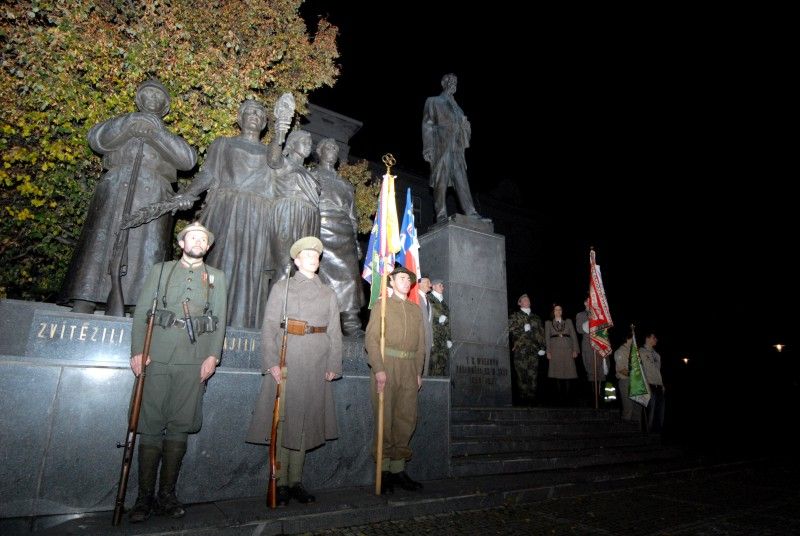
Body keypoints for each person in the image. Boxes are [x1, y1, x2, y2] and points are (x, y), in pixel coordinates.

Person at [62, 79, 197, 314]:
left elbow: (187, 160)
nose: (152, 100)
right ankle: (85, 297)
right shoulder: (123, 123)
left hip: (152, 197)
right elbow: (96, 139)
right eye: (147, 95)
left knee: (146, 252)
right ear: (138, 99)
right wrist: (129, 124)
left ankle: (139, 304)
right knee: (98, 248)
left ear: (165, 108)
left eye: (158, 97)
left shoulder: (166, 135)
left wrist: (155, 133)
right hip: (115, 192)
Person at [127, 222, 226, 522]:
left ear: (207, 247)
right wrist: (137, 350)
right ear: (182, 243)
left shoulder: (217, 278)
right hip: (156, 354)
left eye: (203, 239)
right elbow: (143, 309)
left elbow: (219, 319)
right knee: (152, 422)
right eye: (191, 237)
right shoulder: (161, 270)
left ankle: (167, 495)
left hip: (194, 358)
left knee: (181, 424)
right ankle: (143, 497)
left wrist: (213, 356)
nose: (197, 242)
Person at [246, 236, 342, 506]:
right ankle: (279, 480)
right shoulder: (283, 288)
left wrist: (334, 364)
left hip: (316, 362)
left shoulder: (328, 293)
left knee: (306, 423)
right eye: (307, 255)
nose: (313, 259)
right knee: (284, 419)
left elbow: (335, 331)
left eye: (316, 255)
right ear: (297, 260)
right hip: (288, 360)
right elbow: (268, 327)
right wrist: (271, 362)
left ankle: (295, 481)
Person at [181, 99, 283, 329]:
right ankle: (208, 321)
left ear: (265, 123)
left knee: (251, 270)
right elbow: (208, 173)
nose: (255, 115)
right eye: (250, 111)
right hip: (226, 208)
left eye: (260, 113)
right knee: (221, 263)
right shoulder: (223, 144)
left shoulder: (271, 153)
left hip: (258, 214)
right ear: (240, 118)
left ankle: (244, 324)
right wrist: (188, 193)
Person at [365, 265, 426, 494]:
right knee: (386, 419)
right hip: (387, 365)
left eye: (408, 279)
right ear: (391, 282)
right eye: (401, 278)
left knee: (406, 419)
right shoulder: (382, 306)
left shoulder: (415, 310)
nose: (405, 282)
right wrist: (378, 369)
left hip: (409, 368)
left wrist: (418, 371)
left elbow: (421, 345)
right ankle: (385, 470)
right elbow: (371, 340)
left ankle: (399, 469)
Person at [313, 138, 365, 335]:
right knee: (321, 278)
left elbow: (352, 216)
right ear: (319, 151)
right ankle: (321, 321)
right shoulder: (312, 175)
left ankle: (351, 322)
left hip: (344, 234)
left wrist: (356, 242)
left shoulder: (345, 184)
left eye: (336, 147)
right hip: (321, 229)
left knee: (351, 278)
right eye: (329, 147)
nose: (333, 150)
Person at [421, 73, 489, 223]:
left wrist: (466, 127)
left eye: (456, 82)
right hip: (441, 145)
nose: (454, 84)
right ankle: (440, 215)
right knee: (441, 180)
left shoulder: (458, 109)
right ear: (444, 83)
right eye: (451, 81)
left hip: (457, 148)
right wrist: (428, 149)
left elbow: (464, 131)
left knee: (461, 179)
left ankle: (470, 211)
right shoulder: (434, 101)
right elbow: (427, 125)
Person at [270, 130, 321, 284]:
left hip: (309, 216)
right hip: (287, 211)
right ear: (292, 143)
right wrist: (280, 131)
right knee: (285, 265)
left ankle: (295, 307)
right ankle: (277, 307)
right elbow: (272, 158)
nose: (308, 146)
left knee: (302, 269)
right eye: (304, 142)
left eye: (310, 144)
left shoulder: (311, 173)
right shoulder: (284, 162)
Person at [508, 293, 545, 404]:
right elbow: (510, 329)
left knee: (533, 375)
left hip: (534, 350)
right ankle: (523, 400)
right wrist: (522, 329)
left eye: (528, 299)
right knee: (521, 375)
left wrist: (542, 347)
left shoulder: (536, 317)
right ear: (520, 303)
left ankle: (532, 399)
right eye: (524, 299)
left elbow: (541, 333)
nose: (527, 301)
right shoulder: (515, 316)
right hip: (520, 349)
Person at [576, 298, 609, 406]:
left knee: (601, 371)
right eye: (589, 300)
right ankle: (593, 398)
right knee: (591, 370)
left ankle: (600, 397)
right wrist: (591, 319)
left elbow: (604, 329)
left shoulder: (600, 314)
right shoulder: (580, 315)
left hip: (600, 345)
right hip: (588, 346)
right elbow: (580, 329)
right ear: (585, 303)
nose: (591, 302)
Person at [545, 304, 579, 405]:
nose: (558, 311)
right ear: (553, 312)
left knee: (568, 374)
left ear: (562, 311)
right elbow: (547, 338)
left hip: (568, 350)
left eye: (560, 309)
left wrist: (575, 350)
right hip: (555, 350)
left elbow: (573, 336)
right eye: (556, 310)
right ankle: (559, 398)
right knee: (557, 374)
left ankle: (568, 398)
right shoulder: (549, 323)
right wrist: (548, 351)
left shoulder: (568, 322)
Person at [614, 334, 643, 424]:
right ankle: (625, 433)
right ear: (627, 339)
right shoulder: (620, 351)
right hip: (626, 381)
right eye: (633, 338)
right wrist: (634, 374)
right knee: (628, 408)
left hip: (636, 382)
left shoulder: (634, 351)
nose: (635, 340)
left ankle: (637, 433)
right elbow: (621, 369)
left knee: (638, 408)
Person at [640, 332, 665, 433]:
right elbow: (641, 370)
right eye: (654, 337)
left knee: (659, 413)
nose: (656, 340)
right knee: (650, 412)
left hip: (659, 386)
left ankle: (657, 435)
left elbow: (658, 371)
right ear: (647, 338)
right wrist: (645, 384)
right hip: (649, 385)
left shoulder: (657, 355)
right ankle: (647, 435)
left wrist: (662, 384)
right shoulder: (641, 352)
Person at [428, 278, 453, 376]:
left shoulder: (444, 303)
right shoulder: (429, 299)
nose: (442, 287)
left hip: (443, 341)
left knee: (441, 367)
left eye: (443, 285)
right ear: (433, 286)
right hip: (434, 339)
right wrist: (438, 317)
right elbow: (431, 316)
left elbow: (448, 323)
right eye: (440, 285)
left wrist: (449, 338)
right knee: (433, 367)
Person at [417, 276, 434, 375]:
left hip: (427, 341)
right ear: (419, 284)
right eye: (427, 282)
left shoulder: (427, 300)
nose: (430, 285)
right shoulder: (415, 299)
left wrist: (431, 340)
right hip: (418, 341)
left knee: (425, 371)